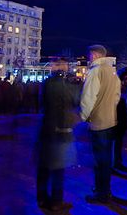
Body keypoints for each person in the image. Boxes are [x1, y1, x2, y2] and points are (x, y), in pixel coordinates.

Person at [36, 58, 79, 211]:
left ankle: (41, 198)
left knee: (44, 167)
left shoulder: (46, 84)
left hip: (46, 129)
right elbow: (75, 100)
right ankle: (56, 201)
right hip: (60, 131)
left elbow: (41, 103)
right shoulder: (63, 85)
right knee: (58, 169)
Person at [80, 45, 120, 204]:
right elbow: (117, 96)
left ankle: (101, 194)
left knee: (99, 160)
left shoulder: (95, 71)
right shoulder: (112, 71)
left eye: (90, 56)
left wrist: (84, 116)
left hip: (98, 123)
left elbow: (88, 97)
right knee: (106, 159)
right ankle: (106, 190)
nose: (89, 59)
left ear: (95, 55)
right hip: (110, 120)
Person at [113, 67, 127, 172]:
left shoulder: (123, 85)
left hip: (121, 117)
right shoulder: (118, 86)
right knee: (116, 141)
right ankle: (115, 162)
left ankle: (117, 161)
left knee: (118, 141)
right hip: (117, 117)